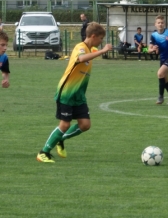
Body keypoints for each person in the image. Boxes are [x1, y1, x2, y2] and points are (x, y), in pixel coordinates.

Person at [36, 22, 113, 163]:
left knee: (85, 125)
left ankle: (61, 139)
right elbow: (82, 58)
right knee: (64, 125)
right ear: (93, 36)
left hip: (79, 95)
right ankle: (43, 152)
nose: (102, 42)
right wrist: (102, 51)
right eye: (101, 38)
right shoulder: (80, 48)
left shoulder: (91, 48)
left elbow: (96, 50)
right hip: (67, 92)